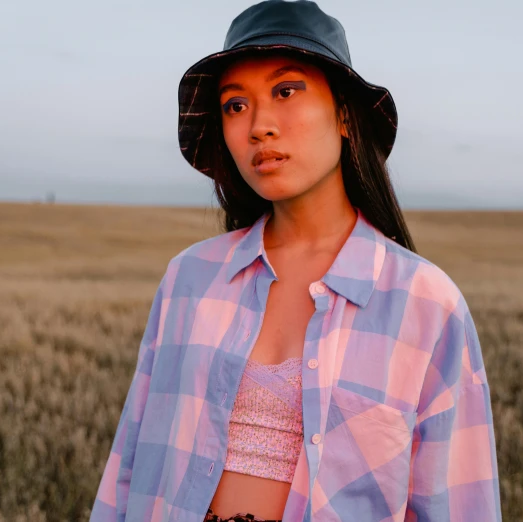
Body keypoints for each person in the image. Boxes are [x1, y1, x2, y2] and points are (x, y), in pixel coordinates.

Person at [90, 1, 501, 521]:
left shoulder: (426, 303)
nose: (260, 125)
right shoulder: (189, 279)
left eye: (286, 91)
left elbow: (459, 505)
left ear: (345, 115)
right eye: (235, 105)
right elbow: (127, 467)